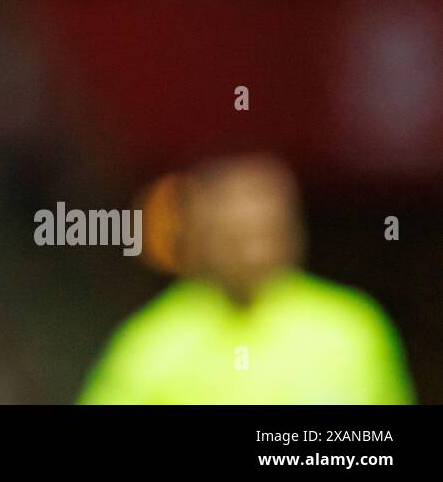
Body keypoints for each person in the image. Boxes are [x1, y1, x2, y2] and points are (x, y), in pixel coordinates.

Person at [79, 154, 414, 404]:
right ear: (202, 236)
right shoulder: (151, 345)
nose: (252, 252)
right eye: (236, 235)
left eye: (264, 232)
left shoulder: (352, 328)